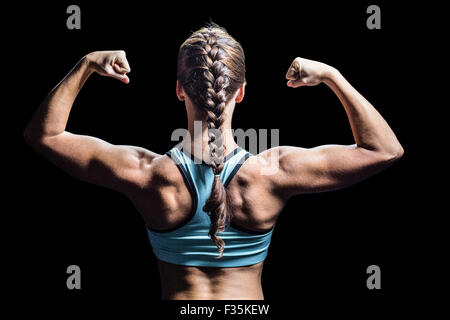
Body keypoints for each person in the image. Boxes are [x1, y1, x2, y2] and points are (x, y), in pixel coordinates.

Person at [23, 24, 403, 300]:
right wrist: (332, 76)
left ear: (178, 90)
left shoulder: (148, 174)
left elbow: (46, 136)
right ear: (240, 93)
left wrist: (87, 63)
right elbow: (383, 149)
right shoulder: (272, 173)